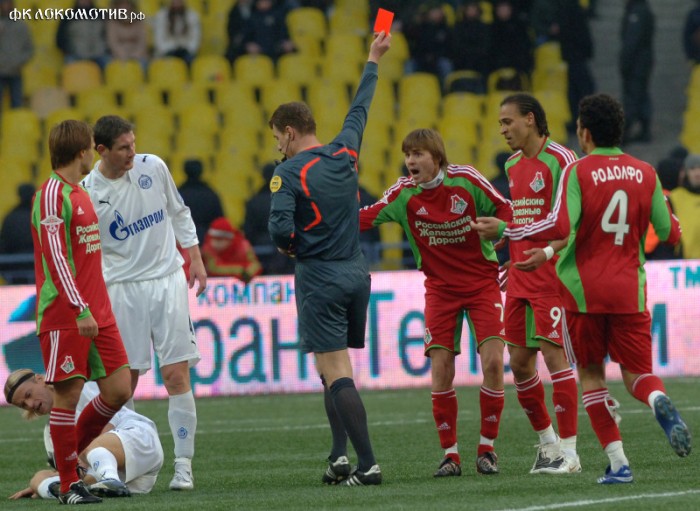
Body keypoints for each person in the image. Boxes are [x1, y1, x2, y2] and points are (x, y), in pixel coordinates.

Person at [472, 93, 692, 484]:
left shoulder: (570, 165)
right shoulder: (645, 172)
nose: (503, 129)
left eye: (508, 121)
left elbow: (562, 225)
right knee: (532, 362)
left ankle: (593, 457)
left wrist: (517, 235)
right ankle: (557, 442)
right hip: (614, 286)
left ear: (582, 132)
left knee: (583, 371)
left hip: (570, 282)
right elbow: (668, 232)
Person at [267, 31, 391, 486]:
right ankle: (339, 457)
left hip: (320, 276)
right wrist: (373, 59)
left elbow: (279, 229)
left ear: (289, 132)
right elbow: (361, 106)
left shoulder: (289, 171)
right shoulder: (346, 150)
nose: (278, 147)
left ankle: (368, 464)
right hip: (358, 272)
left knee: (336, 370)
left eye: (279, 138)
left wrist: (292, 247)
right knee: (331, 369)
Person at [359, 128, 510, 478]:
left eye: (418, 153)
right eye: (407, 154)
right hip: (440, 289)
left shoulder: (467, 181)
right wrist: (320, 226)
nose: (410, 160)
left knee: (493, 363)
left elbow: (505, 208)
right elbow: (364, 219)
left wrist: (501, 227)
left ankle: (487, 449)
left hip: (481, 284)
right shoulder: (403, 193)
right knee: (441, 368)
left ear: (437, 157)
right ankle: (451, 455)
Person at [82, 115, 207, 491]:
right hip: (121, 290)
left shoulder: (154, 166)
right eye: (123, 148)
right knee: (124, 384)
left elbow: (178, 211)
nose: (132, 153)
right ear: (101, 150)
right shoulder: (88, 192)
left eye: (133, 143)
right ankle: (129, 460)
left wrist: (195, 258)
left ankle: (183, 465)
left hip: (167, 281)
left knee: (175, 375)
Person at [30, 119, 132, 504]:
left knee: (120, 388)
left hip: (97, 312)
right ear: (81, 150)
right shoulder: (52, 194)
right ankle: (71, 484)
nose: (93, 151)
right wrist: (79, 308)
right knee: (68, 397)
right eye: (90, 145)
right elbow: (57, 257)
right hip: (65, 314)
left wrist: (94, 308)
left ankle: (65, 461)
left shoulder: (79, 193)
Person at [496, 93, 581, 474]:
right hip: (519, 276)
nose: (503, 130)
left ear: (530, 119)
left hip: (551, 275)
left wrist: (545, 254)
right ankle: (548, 445)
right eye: (500, 123)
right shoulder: (512, 165)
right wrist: (507, 246)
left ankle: (571, 453)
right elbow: (521, 220)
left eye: (508, 122)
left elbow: (571, 225)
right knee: (518, 363)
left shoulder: (562, 160)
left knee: (553, 356)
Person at [5, 369, 164, 500]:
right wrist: (40, 485)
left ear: (39, 379)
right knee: (38, 478)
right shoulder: (50, 432)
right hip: (121, 472)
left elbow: (106, 427)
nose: (31, 404)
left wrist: (77, 460)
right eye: (23, 405)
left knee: (86, 443)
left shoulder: (79, 388)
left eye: (28, 395)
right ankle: (64, 491)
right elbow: (71, 471)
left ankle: (111, 481)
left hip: (139, 439)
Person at [243, 162, 295, 275]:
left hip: (260, 247)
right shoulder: (288, 199)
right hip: (284, 248)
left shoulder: (253, 201)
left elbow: (248, 231)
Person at [620, 0, 654, 143]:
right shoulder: (642, 9)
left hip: (637, 61)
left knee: (633, 96)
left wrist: (625, 61)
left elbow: (632, 40)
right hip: (642, 59)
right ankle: (644, 128)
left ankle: (626, 131)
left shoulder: (637, 12)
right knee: (640, 94)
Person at [177, 159, 224, 245]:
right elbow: (220, 221)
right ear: (201, 171)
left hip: (183, 242)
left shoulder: (177, 195)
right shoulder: (210, 194)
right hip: (208, 242)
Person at [201, 216, 262, 281]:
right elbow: (213, 269)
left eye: (220, 240)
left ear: (229, 240)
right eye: (213, 239)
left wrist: (248, 273)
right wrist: (240, 271)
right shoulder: (208, 248)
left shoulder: (243, 246)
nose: (215, 243)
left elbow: (256, 265)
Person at [56, 0, 111, 69]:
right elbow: (60, 39)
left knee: (111, 66)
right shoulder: (68, 16)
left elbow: (110, 36)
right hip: (76, 55)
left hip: (99, 54)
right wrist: (70, 50)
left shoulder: (101, 15)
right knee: (69, 64)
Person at [0, 0, 34, 110]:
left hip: (15, 71)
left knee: (17, 105)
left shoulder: (21, 26)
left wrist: (18, 61)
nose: (6, 6)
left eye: (8, 3)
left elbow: (29, 49)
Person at [152, 0, 201, 65]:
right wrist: (172, 47)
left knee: (191, 60)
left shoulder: (192, 16)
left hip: (186, 52)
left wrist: (185, 48)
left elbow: (195, 40)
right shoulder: (161, 16)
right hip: (167, 52)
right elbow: (159, 41)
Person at [670, 153, 700, 259]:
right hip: (685, 263)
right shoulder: (674, 197)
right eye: (692, 169)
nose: (697, 173)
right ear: (685, 172)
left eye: (699, 168)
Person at [106, 0, 149, 70]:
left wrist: (136, 55)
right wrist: (123, 55)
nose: (124, 7)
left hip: (139, 55)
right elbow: (113, 42)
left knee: (143, 65)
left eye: (127, 4)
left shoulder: (139, 20)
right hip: (118, 55)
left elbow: (143, 41)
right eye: (122, 4)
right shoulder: (112, 22)